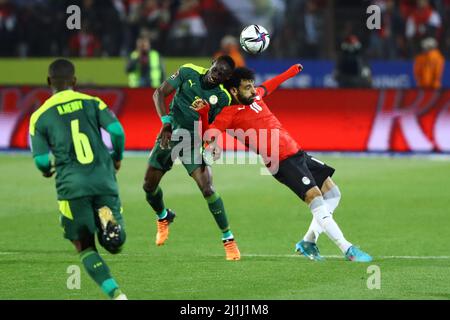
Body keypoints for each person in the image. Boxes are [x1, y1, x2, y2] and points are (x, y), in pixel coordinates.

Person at [192, 65, 372, 262]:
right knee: (316, 199)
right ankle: (348, 249)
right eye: (247, 87)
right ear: (234, 91)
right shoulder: (229, 113)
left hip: (297, 153)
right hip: (280, 161)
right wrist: (203, 114)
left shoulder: (256, 97)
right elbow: (209, 136)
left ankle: (308, 242)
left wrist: (290, 72)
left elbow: (270, 85)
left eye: (253, 86)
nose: (253, 90)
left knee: (333, 194)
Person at [29, 59, 128, 299]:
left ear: (48, 82)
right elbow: (117, 131)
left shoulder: (40, 116)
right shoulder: (92, 102)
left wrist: (45, 169)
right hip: (103, 178)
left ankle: (116, 295)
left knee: (84, 246)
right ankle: (108, 221)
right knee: (114, 244)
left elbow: (41, 159)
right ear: (74, 81)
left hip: (72, 186)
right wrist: (116, 157)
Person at [143, 55, 241, 261]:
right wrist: (166, 124)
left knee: (207, 188)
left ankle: (229, 240)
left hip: (193, 142)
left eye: (223, 75)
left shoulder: (222, 97)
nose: (217, 76)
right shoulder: (188, 71)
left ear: (227, 78)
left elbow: (212, 127)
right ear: (212, 63)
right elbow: (159, 93)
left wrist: (212, 142)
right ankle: (163, 216)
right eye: (216, 70)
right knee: (148, 187)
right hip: (170, 135)